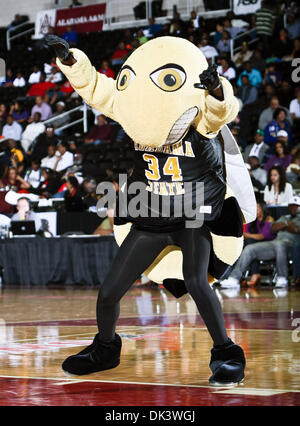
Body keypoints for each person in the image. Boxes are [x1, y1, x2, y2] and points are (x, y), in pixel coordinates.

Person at [46, 34, 256, 386]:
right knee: (109, 292)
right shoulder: (137, 112)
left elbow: (221, 112)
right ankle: (106, 348)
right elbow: (99, 89)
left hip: (193, 214)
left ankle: (226, 352)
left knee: (196, 281)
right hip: (153, 214)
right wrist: (72, 64)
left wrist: (216, 91)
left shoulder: (197, 117)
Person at [220, 197, 300, 289]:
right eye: (291, 206)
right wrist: (287, 224)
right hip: (275, 243)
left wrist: (283, 225)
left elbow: (296, 230)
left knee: (279, 245)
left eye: (296, 206)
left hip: (292, 246)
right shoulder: (284, 217)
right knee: (250, 248)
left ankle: (282, 278)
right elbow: (273, 228)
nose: (293, 208)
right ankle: (234, 279)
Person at [221, 200, 275, 288]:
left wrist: (248, 235)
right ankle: (250, 274)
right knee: (242, 245)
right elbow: (244, 234)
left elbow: (263, 236)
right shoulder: (252, 220)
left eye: (257, 209)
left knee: (249, 244)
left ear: (263, 209)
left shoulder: (269, 219)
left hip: (267, 245)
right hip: (251, 245)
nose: (255, 211)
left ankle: (238, 277)